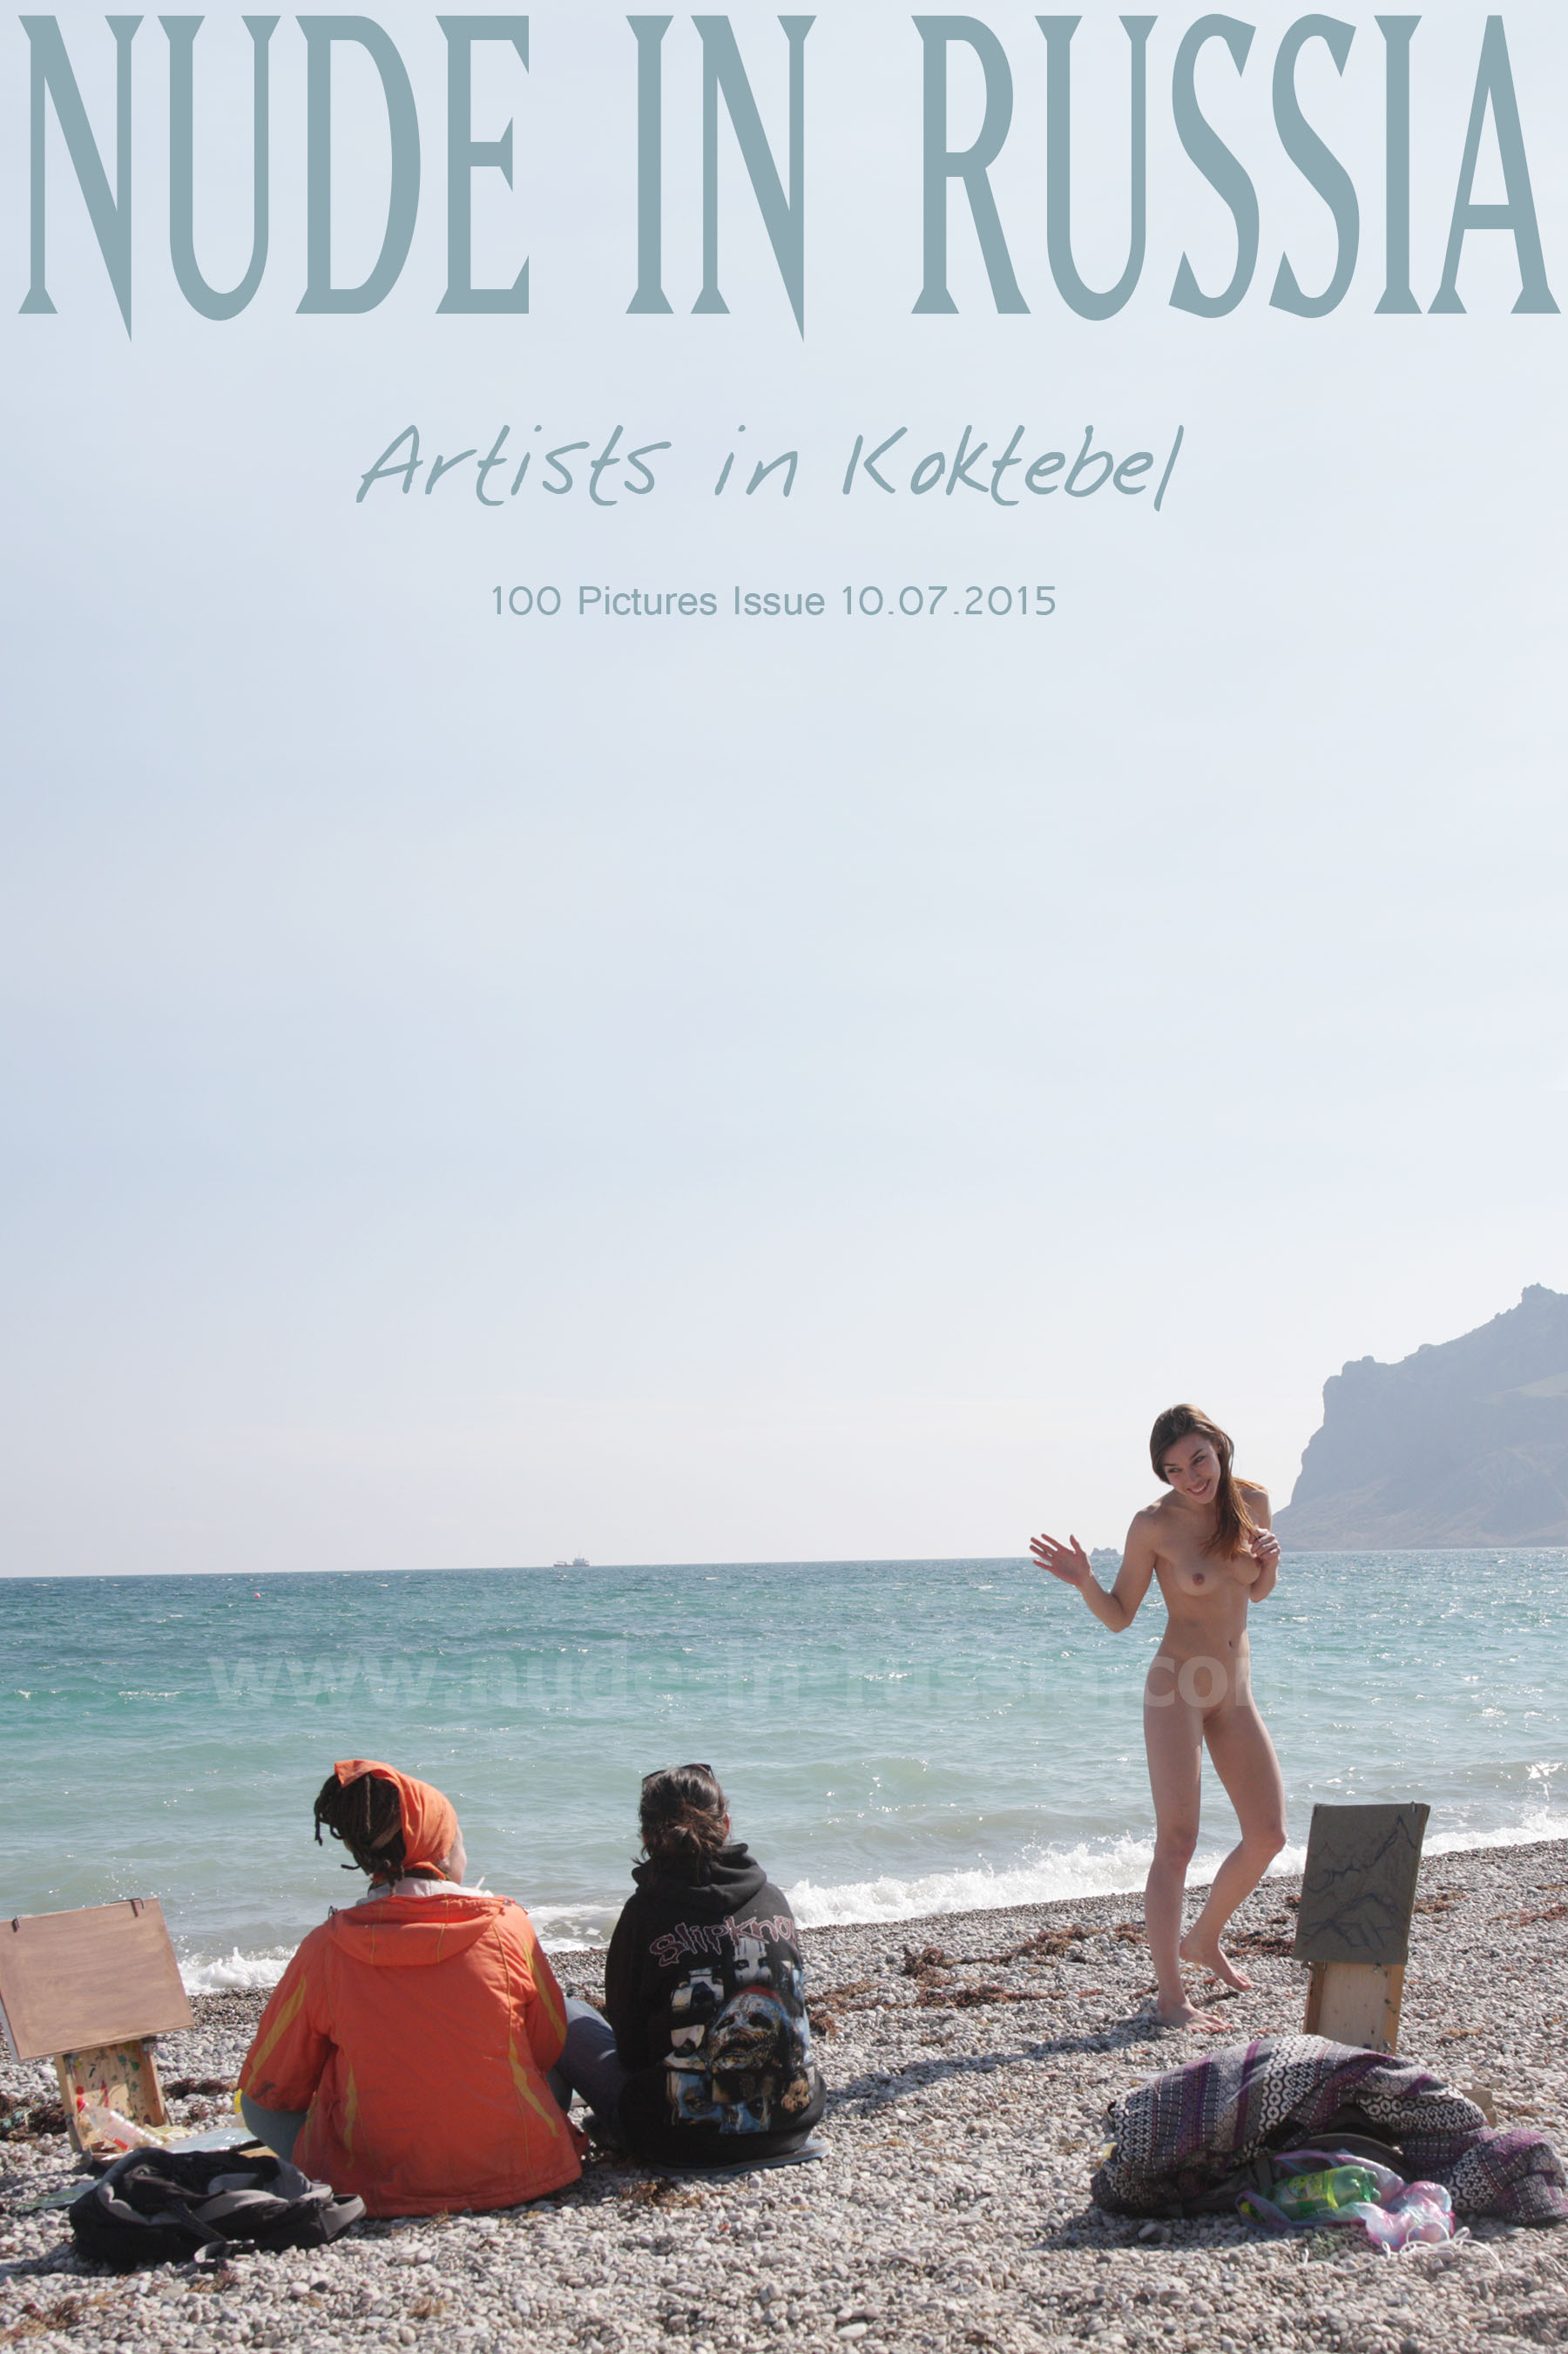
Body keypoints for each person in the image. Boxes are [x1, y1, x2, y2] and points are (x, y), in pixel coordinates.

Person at [1031, 1405, 1287, 2032]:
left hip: (1235, 1691)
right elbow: (1120, 1616)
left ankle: (1203, 1939)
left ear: (1219, 1448)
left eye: (1198, 1460)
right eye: (1174, 1470)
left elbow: (1254, 1590)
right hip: (1177, 1691)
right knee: (1177, 1844)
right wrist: (1084, 1581)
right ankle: (1172, 2000)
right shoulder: (1153, 1525)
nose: (1190, 1478)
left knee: (1268, 1836)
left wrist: (1273, 1563)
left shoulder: (1253, 1501)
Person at [237, 1758, 582, 2215]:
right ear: (443, 1854)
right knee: (543, 2061)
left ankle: (334, 2175)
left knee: (255, 2105)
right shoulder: (508, 1925)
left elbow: (271, 2084)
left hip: (375, 2186)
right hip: (519, 2170)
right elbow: (548, 2045)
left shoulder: (327, 1947)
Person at [550, 1764, 825, 2168]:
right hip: (792, 2123)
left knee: (566, 2012)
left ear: (647, 1837)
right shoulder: (772, 1899)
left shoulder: (644, 1913)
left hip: (676, 2138)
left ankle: (561, 2134)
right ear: (725, 1824)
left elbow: (631, 2051)